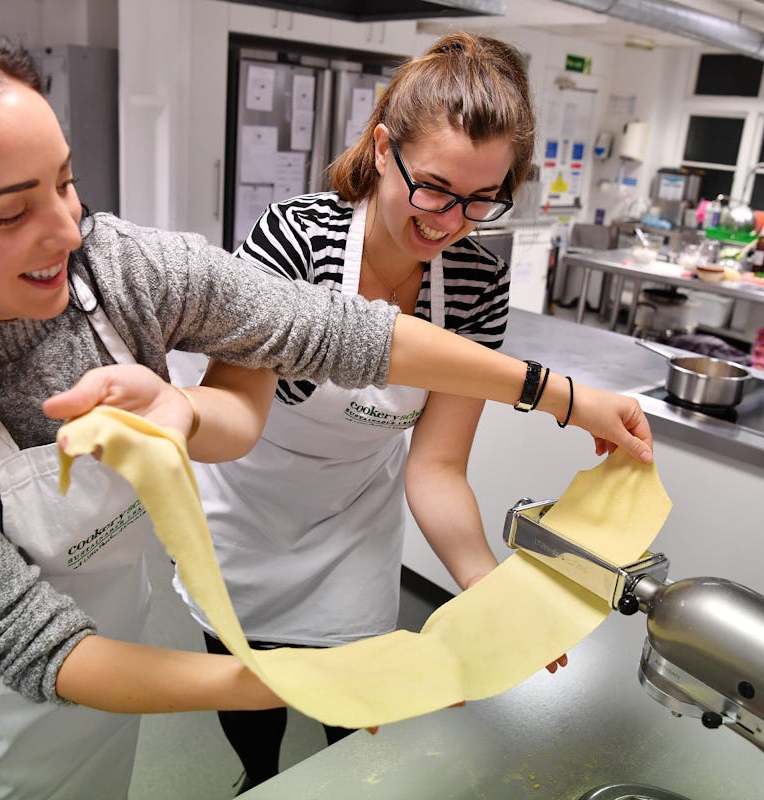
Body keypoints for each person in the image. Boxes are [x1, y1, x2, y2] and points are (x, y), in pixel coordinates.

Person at [0, 16, 652, 799]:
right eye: (14, 211)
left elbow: (327, 328)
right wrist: (303, 678)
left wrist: (561, 399)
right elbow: (34, 644)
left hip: (121, 639)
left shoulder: (119, 269)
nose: (69, 229)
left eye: (67, 183)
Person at [163, 32, 564, 791]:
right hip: (246, 509)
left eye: (484, 199)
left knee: (358, 705)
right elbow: (228, 404)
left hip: (353, 520)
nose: (451, 220)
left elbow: (439, 467)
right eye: (437, 187)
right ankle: (259, 778)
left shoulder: (476, 281)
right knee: (254, 690)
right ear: (384, 150)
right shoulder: (296, 239)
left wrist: (486, 583)